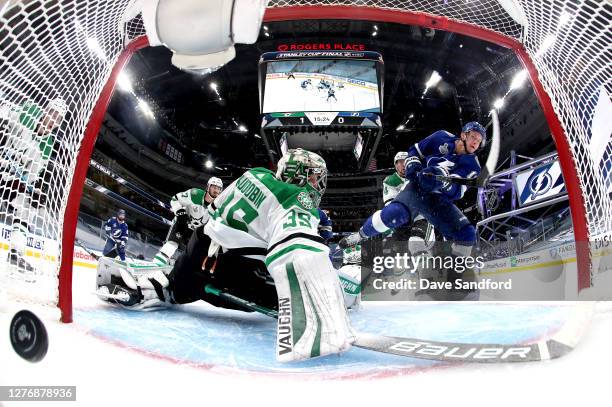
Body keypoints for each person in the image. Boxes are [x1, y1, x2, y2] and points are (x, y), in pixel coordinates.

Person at [105, 148, 355, 362]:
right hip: (233, 271)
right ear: (300, 176)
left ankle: (145, 285)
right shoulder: (297, 199)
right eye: (314, 178)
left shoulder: (255, 174)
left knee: (179, 289)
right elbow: (298, 252)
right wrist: (323, 313)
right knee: (283, 295)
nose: (317, 185)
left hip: (198, 249)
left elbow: (212, 209)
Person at [340, 122, 486, 268]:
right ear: (463, 135)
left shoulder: (473, 165)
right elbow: (415, 151)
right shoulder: (442, 136)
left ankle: (455, 279)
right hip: (416, 189)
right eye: (473, 137)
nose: (475, 142)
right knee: (393, 213)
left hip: (437, 200)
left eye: (479, 141)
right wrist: (413, 165)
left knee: (466, 234)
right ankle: (360, 235)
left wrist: (442, 182)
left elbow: (457, 192)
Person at [0, 97, 68, 275]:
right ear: (46, 110)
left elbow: (31, 175)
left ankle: (15, 254)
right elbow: (5, 111)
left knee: (28, 207)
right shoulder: (28, 111)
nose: (54, 120)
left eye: (58, 119)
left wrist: (35, 190)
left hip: (9, 179)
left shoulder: (48, 145)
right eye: (53, 113)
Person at [153, 177, 223, 265]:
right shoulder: (195, 194)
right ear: (208, 187)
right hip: (183, 224)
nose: (216, 190)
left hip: (196, 232)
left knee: (193, 255)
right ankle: (156, 263)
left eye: (219, 188)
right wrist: (180, 212)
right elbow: (175, 199)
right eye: (214, 187)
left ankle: (175, 269)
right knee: (172, 244)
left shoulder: (219, 206)